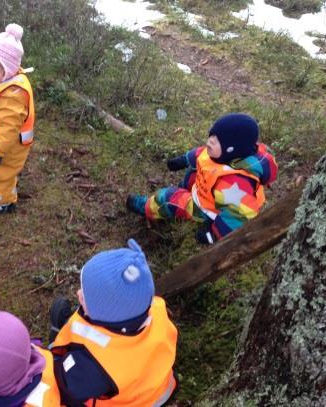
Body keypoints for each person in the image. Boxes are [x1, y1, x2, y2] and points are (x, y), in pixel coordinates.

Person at [49, 239, 178, 406]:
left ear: (107, 318)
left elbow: (67, 388)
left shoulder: (97, 367)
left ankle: (59, 340)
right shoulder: (152, 306)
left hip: (113, 393)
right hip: (153, 388)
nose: (78, 293)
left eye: (85, 297)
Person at [127, 113, 278, 244]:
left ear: (233, 149)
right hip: (206, 191)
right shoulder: (221, 155)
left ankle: (146, 207)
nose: (210, 141)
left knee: (168, 197)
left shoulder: (234, 181)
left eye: (217, 140)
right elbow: (201, 154)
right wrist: (183, 160)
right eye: (212, 135)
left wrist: (213, 234)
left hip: (207, 208)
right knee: (194, 170)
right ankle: (185, 189)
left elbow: (238, 214)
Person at [0, 23, 35, 213]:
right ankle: (6, 186)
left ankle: (4, 202)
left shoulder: (11, 95)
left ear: (6, 71)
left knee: (1, 173)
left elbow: (9, 128)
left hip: (7, 148)